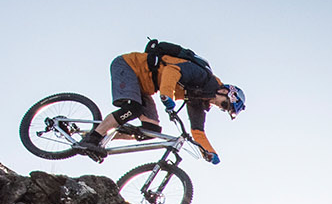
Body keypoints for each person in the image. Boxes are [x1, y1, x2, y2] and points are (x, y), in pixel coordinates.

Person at [76, 41, 245, 164]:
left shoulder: (199, 99)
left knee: (151, 130)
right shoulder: (202, 76)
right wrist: (167, 97)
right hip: (130, 67)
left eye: (224, 109)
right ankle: (94, 138)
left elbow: (197, 131)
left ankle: (99, 137)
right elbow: (171, 71)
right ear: (224, 91)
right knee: (132, 108)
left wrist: (209, 153)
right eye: (224, 104)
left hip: (144, 88)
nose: (219, 107)